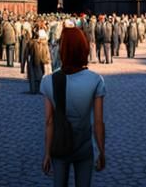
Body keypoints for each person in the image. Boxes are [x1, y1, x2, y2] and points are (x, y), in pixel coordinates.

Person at [40, 26, 105, 186]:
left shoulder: (48, 81)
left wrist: (47, 153)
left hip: (60, 145)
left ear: (62, 50)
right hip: (84, 146)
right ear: (84, 49)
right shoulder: (96, 80)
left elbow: (49, 121)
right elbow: (98, 122)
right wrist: (101, 151)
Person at [23, 29, 51, 95]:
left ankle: (34, 89)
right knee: (40, 76)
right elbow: (47, 54)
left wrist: (23, 65)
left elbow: (25, 54)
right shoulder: (44, 44)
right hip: (42, 61)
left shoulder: (31, 42)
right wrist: (48, 60)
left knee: (34, 76)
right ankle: (39, 89)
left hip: (35, 61)